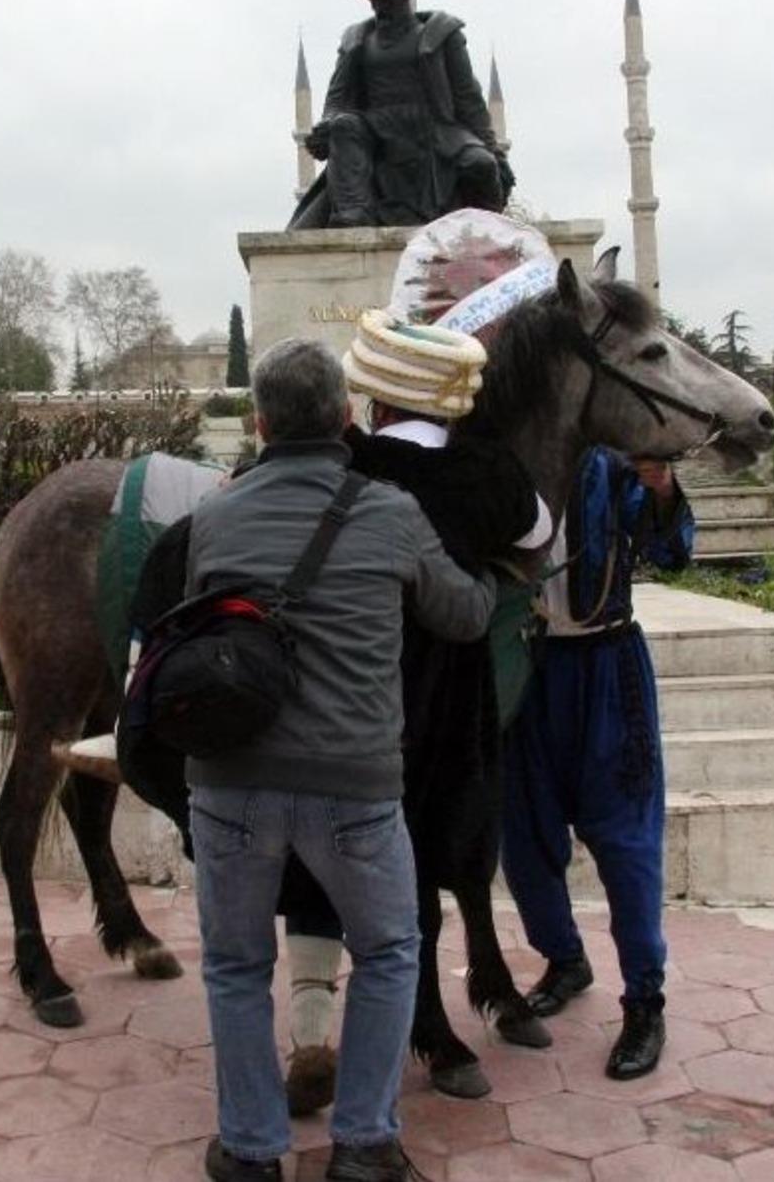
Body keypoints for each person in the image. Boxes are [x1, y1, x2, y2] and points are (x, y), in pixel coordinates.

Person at [187, 337, 497, 1182]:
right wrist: (499, 574)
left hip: (231, 783)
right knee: (392, 950)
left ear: (258, 422)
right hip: (354, 785)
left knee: (235, 963)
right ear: (347, 417)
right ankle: (363, 1142)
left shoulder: (216, 513)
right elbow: (464, 614)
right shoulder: (391, 511)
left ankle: (250, 1150)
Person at [282, 301, 551, 1109]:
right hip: (452, 696)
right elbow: (539, 537)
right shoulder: (489, 471)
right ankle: (426, 1029)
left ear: (379, 396)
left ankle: (323, 1018)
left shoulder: (347, 464)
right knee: (444, 845)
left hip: (344, 692)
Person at [501, 447, 694, 1080]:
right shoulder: (501, 462)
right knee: (523, 837)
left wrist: (662, 487)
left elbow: (671, 551)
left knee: (627, 842)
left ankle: (645, 1000)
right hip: (525, 671)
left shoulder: (613, 466)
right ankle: (563, 958)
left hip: (608, 669)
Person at [289, 0, 513, 229]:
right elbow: (338, 98)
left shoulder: (442, 35)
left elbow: (468, 99)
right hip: (376, 128)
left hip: (434, 128)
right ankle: (354, 214)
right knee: (344, 125)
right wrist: (327, 124)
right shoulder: (357, 41)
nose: (378, 3)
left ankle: (491, 233)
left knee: (480, 165)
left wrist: (493, 151)